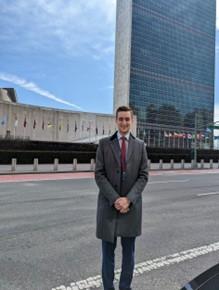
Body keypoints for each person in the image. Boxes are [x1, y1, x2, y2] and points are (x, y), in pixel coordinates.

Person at [95, 105, 149, 290]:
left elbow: (143, 175)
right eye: (121, 119)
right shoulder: (104, 144)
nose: (124, 122)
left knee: (129, 254)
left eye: (127, 119)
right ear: (116, 120)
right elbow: (99, 174)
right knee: (107, 255)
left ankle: (125, 287)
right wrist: (116, 199)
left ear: (131, 121)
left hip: (131, 208)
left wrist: (129, 199)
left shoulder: (140, 146)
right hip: (108, 207)